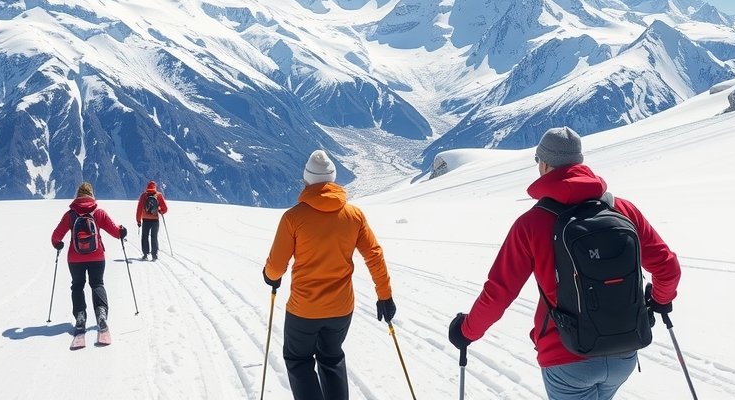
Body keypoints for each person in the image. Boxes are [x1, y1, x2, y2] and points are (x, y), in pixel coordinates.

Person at [447, 127, 681, 400]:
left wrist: (467, 331)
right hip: (624, 350)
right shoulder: (622, 209)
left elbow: (499, 292)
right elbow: (668, 267)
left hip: (565, 355)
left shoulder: (531, 224)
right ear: (579, 162)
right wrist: (662, 300)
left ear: (544, 164)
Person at [263, 150, 396, 400]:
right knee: (331, 358)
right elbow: (374, 255)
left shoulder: (293, 218)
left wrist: (270, 276)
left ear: (307, 181)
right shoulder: (354, 215)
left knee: (298, 360)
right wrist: (384, 296)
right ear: (333, 180)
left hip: (304, 309)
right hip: (341, 309)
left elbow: (276, 267)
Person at [51, 181, 128, 334]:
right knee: (97, 284)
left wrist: (58, 245)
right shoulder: (98, 213)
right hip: (97, 256)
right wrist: (122, 231)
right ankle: (101, 314)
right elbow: (115, 232)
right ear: (92, 195)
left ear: (77, 196)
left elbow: (56, 237)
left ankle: (80, 317)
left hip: (75, 257)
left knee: (77, 286)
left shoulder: (70, 215)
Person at [135, 180, 169, 260]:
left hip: (145, 220)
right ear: (155, 187)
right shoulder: (158, 195)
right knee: (154, 237)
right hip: (155, 220)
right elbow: (165, 208)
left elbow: (139, 209)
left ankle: (145, 255)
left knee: (145, 237)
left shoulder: (143, 195)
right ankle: (154, 255)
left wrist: (138, 220)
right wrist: (160, 211)